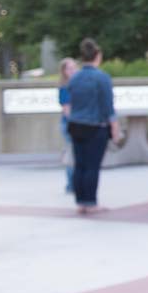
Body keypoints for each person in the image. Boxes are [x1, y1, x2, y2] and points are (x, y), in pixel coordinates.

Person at [66, 39, 120, 214]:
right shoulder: (102, 78)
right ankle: (91, 202)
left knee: (79, 165)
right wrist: (114, 127)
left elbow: (71, 101)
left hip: (76, 125)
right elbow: (108, 106)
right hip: (95, 127)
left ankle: (81, 202)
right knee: (92, 166)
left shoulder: (75, 78)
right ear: (98, 56)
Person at [57, 57, 79, 193]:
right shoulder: (65, 87)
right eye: (69, 68)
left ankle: (74, 184)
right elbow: (67, 110)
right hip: (70, 125)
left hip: (76, 124)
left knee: (75, 154)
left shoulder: (78, 84)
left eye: (74, 67)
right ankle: (71, 185)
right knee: (72, 155)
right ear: (64, 71)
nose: (73, 71)